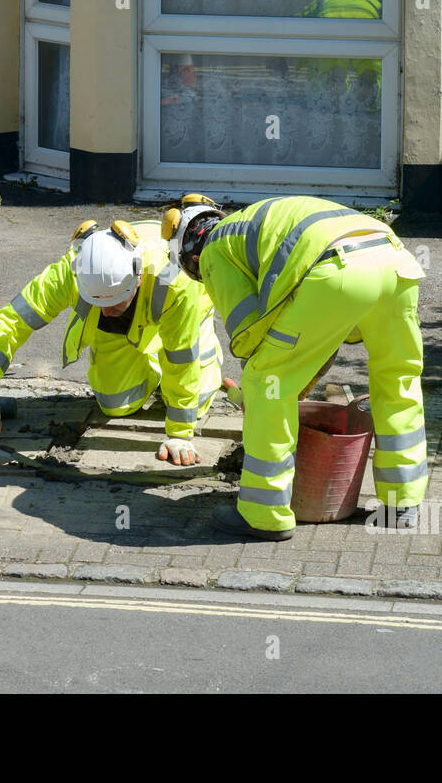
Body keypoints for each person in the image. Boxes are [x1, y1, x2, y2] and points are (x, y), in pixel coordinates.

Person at [162, 193, 427, 540]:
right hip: (396, 261)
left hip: (339, 273)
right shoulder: (255, 222)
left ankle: (264, 513)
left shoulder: (214, 249)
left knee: (265, 380)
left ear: (192, 256)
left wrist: (261, 391)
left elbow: (248, 336)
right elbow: (321, 327)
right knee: (397, 377)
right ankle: (401, 503)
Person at [0, 218, 224, 465]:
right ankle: (153, 367)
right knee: (116, 404)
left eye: (114, 302)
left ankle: (208, 354)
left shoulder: (175, 281)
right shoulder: (74, 270)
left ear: (138, 278)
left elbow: (181, 358)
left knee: (196, 401)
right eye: (96, 302)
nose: (105, 311)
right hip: (122, 328)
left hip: (186, 314)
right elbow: (13, 320)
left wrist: (179, 434)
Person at [297, 0, 383, 109]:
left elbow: (300, 20)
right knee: (369, 67)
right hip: (366, 31)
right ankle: (369, 91)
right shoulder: (372, 1)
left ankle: (335, 97)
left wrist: (297, 59)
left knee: (333, 68)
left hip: (331, 34)